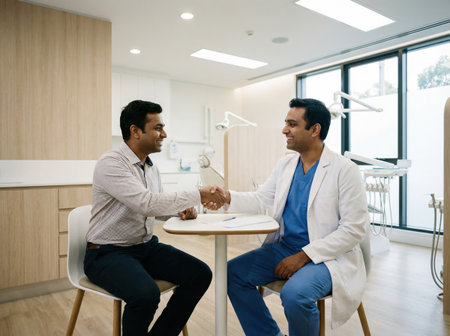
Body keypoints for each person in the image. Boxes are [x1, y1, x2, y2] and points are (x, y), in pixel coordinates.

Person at [221, 98, 369, 336]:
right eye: (285, 123)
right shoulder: (286, 164)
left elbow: (353, 230)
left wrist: (303, 256)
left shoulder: (345, 170)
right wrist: (227, 197)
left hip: (327, 257)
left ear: (315, 129)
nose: (284, 130)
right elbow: (261, 198)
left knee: (295, 294)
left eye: (292, 124)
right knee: (231, 273)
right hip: (285, 248)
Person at [84, 100, 226, 336]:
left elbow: (153, 208)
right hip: (106, 253)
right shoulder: (111, 163)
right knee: (145, 295)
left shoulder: (150, 167)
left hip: (144, 248)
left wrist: (178, 211)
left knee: (200, 274)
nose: (164, 134)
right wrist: (198, 194)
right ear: (135, 131)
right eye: (158, 128)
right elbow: (146, 202)